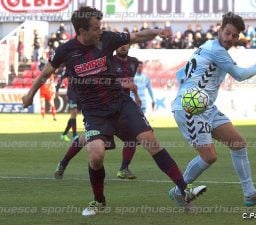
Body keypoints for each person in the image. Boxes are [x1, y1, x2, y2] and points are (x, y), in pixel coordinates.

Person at [22, 6, 205, 216]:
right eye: (96, 28)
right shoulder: (65, 51)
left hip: (120, 103)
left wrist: (156, 31)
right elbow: (45, 73)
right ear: (82, 31)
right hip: (94, 112)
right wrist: (29, 95)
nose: (101, 30)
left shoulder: (107, 39)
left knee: (150, 140)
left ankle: (184, 190)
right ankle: (98, 201)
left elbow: (136, 36)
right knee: (96, 155)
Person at [169, 12, 256, 208]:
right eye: (227, 33)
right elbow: (240, 75)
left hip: (205, 106)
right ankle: (178, 191)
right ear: (220, 30)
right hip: (190, 108)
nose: (230, 38)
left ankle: (250, 193)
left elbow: (181, 74)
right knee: (209, 157)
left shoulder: (207, 46)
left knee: (238, 143)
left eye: (234, 35)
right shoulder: (216, 50)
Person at [54, 44, 141, 180]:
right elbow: (100, 80)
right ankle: (63, 163)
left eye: (126, 44)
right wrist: (121, 84)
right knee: (87, 138)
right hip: (103, 104)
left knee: (132, 138)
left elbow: (130, 82)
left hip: (122, 105)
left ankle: (124, 169)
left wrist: (136, 96)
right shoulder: (107, 61)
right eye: (120, 44)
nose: (123, 47)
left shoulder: (133, 62)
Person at [56, 67, 79, 142]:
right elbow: (60, 78)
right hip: (72, 93)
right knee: (74, 112)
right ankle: (75, 135)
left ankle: (64, 134)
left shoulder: (83, 65)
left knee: (74, 115)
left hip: (81, 94)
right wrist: (57, 89)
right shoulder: (69, 67)